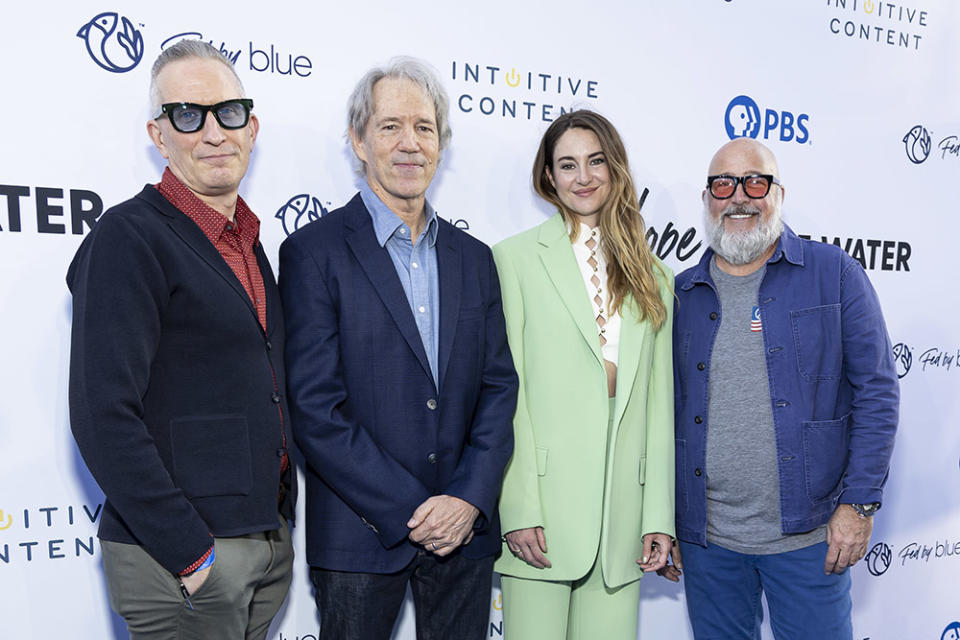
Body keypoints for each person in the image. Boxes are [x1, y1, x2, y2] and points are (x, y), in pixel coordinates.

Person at [278, 56, 518, 640]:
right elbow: (315, 408)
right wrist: (417, 509)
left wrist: (465, 500)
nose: (409, 143)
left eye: (424, 127)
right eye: (390, 127)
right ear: (358, 141)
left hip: (465, 535)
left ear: (441, 144)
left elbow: (497, 388)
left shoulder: (476, 259)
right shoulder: (313, 253)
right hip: (360, 535)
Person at [66, 40, 295, 640]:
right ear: (158, 134)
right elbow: (101, 413)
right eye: (188, 115)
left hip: (262, 542)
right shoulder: (127, 237)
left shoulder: (248, 243)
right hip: (185, 558)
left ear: (253, 125)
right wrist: (192, 556)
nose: (215, 132)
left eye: (230, 112)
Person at [661, 137, 899, 640]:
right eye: (723, 184)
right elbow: (663, 414)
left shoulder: (835, 275)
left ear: (779, 194)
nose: (739, 196)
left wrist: (858, 505)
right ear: (707, 200)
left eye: (756, 181)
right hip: (710, 545)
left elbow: (877, 392)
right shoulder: (679, 294)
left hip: (810, 539)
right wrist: (667, 519)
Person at [493, 110, 676, 640]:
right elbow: (510, 395)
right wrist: (519, 505)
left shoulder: (654, 276)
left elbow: (658, 406)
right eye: (567, 165)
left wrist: (656, 515)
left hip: (623, 523)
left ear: (615, 167)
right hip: (542, 518)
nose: (584, 177)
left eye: (596, 161)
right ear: (548, 176)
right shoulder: (515, 261)